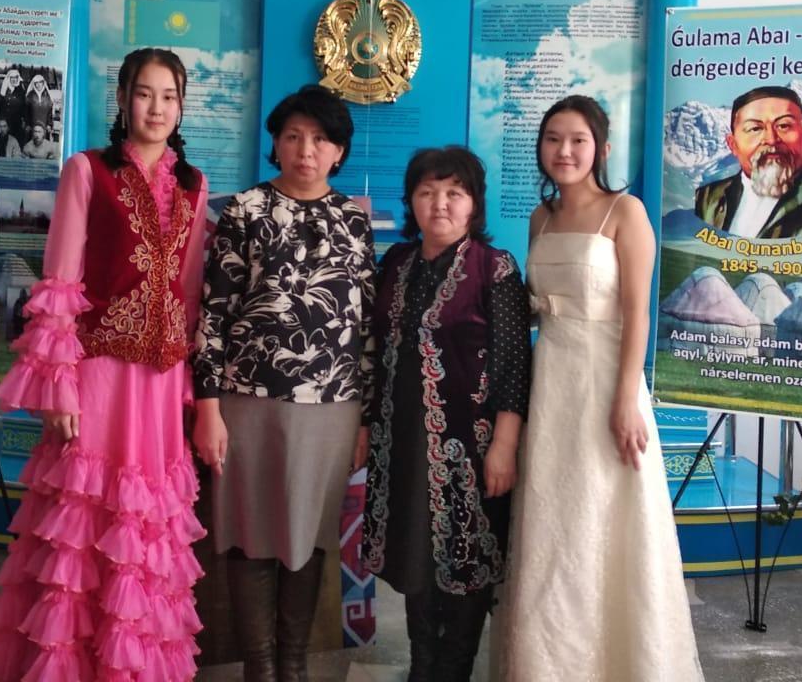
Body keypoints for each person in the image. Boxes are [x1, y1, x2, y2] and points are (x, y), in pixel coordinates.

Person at [0, 47, 210, 682]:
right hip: (99, 368)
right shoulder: (87, 171)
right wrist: (59, 388)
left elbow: (188, 288)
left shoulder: (194, 185)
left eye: (169, 96)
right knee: (84, 516)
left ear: (181, 106)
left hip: (161, 378)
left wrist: (187, 378)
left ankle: (134, 663)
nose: (156, 108)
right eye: (144, 93)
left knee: (146, 522)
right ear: (123, 98)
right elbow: (60, 280)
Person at [493, 95, 703, 681]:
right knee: (554, 518)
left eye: (577, 140)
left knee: (608, 516)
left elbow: (638, 314)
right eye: (553, 138)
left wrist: (625, 400)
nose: (564, 150)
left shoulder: (625, 212)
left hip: (609, 379)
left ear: (601, 149)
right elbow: (536, 306)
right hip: (552, 382)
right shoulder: (540, 218)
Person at [192, 84, 375, 682]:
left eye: (320, 139)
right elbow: (214, 313)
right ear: (276, 143)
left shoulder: (354, 220)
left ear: (339, 151)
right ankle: (260, 666)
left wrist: (366, 418)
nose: (306, 150)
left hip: (333, 406)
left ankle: (293, 665)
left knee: (309, 528)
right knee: (250, 528)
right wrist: (207, 406)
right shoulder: (245, 210)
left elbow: (366, 325)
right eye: (293, 136)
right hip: (247, 402)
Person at [364, 146, 530, 682]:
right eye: (427, 192)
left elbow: (514, 366)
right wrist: (366, 425)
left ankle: (453, 671)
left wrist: (505, 445)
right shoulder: (396, 263)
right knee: (414, 557)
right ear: (410, 201)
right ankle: (422, 667)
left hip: (471, 449)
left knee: (467, 563)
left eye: (454, 192)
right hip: (403, 442)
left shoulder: (494, 268)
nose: (440, 203)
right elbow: (373, 350)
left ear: (473, 203)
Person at [695, 85, 802, 238]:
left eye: (784, 126)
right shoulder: (705, 200)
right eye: (755, 128)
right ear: (733, 144)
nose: (771, 139)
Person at [0, 68, 28, 140]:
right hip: (5, 122)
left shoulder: (21, 91)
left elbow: (24, 108)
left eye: (16, 78)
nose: (14, 80)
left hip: (16, 122)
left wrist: (24, 121)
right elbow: (0, 106)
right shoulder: (4, 90)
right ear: (9, 79)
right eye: (12, 78)